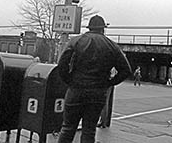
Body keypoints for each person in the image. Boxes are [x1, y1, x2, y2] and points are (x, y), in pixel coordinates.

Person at [57, 15, 132, 143]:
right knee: (89, 130)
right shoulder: (112, 46)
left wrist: (70, 81)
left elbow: (62, 64)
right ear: (103, 29)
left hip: (76, 90)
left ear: (89, 27)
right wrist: (108, 83)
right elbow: (126, 70)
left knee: (68, 128)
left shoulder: (76, 41)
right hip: (98, 93)